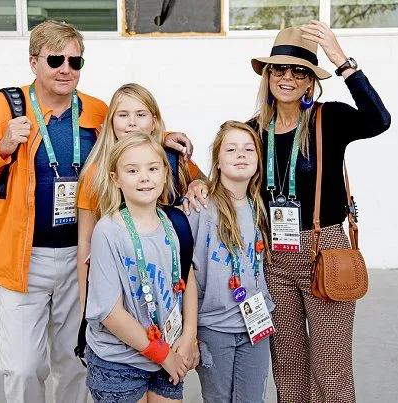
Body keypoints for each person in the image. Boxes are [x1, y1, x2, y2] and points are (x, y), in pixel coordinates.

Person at [0, 20, 193, 403]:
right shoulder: (3, 107)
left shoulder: (94, 110)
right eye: (55, 59)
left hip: (83, 257)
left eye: (75, 61)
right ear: (34, 63)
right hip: (22, 257)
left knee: (74, 361)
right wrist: (0, 147)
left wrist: (162, 138)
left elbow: (128, 133)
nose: (66, 69)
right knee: (23, 366)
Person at [185, 22, 391, 403]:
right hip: (270, 257)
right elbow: (226, 174)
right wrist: (199, 182)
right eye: (279, 68)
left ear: (311, 82)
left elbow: (379, 120)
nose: (288, 76)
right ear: (267, 76)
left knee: (330, 369)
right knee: (288, 368)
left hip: (323, 250)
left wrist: (342, 61)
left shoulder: (330, 119)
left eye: (300, 71)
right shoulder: (251, 132)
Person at [85, 133, 198, 403]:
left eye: (152, 168)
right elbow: (110, 314)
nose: (144, 177)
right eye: (132, 170)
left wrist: (189, 335)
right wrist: (164, 355)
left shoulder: (174, 224)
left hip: (167, 353)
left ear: (165, 173)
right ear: (116, 179)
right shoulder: (108, 232)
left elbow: (187, 279)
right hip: (120, 361)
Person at [76, 83, 205, 312]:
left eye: (141, 115)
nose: (132, 122)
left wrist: (197, 183)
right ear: (110, 122)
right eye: (123, 115)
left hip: (169, 277)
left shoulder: (172, 159)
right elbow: (85, 242)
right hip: (121, 281)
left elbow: (210, 184)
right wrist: (86, 308)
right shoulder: (95, 174)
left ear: (154, 120)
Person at [186, 121, 275, 403]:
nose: (241, 154)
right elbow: (183, 268)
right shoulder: (199, 206)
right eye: (231, 149)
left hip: (256, 325)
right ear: (218, 160)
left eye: (249, 149)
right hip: (213, 328)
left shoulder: (260, 205)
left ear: (259, 161)